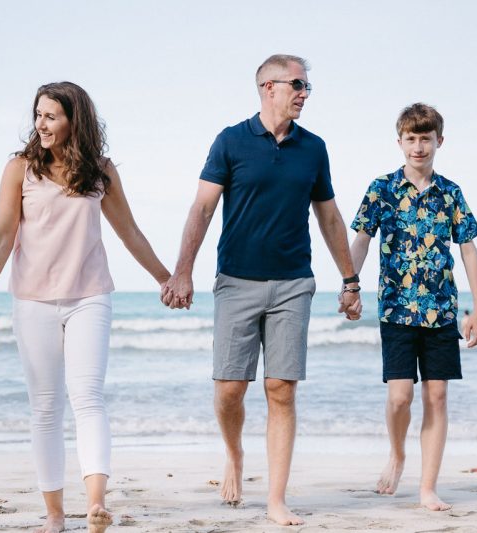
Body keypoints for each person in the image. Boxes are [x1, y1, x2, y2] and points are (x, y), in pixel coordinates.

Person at [0, 82, 170, 533]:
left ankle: (95, 504)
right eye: (38, 114)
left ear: (75, 120)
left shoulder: (101, 171)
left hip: (89, 296)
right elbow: (1, 237)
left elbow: (129, 231)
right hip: (32, 301)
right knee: (46, 407)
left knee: (88, 397)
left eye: (51, 115)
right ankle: (54, 514)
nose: (41, 124)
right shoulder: (19, 169)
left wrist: (164, 277)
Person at [162, 54, 361, 526]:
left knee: (281, 389)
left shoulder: (314, 148)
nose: (304, 93)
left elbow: (329, 217)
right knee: (230, 390)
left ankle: (276, 498)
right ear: (267, 87)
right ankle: (234, 454)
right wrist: (182, 272)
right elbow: (202, 209)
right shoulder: (230, 141)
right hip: (236, 281)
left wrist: (350, 280)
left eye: (307, 86)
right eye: (297, 84)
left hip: (294, 282)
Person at [348, 103, 477, 511]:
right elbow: (360, 240)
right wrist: (349, 284)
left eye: (426, 138)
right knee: (399, 398)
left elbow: (469, 249)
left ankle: (427, 488)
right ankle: (397, 452)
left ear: (439, 141)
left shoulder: (451, 193)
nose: (419, 146)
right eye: (411, 139)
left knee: (438, 397)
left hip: (442, 310)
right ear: (400, 143)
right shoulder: (382, 189)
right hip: (395, 309)